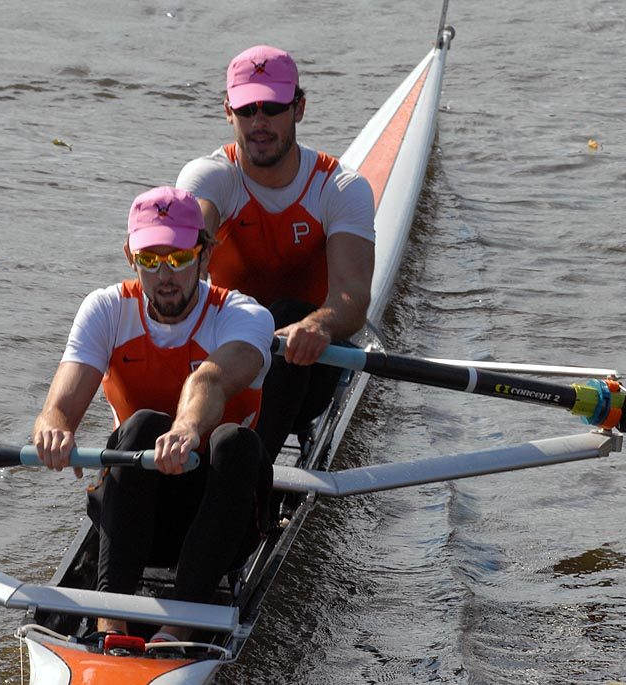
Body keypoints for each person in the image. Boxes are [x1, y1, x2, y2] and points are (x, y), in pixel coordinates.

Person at [33, 186, 275, 641]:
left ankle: (180, 623)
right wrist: (54, 433)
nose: (165, 274)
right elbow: (57, 409)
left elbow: (211, 381)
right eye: (150, 259)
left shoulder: (244, 315)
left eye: (179, 258)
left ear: (204, 256)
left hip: (225, 517)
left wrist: (186, 427)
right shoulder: (105, 309)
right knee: (142, 424)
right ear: (130, 256)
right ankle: (112, 623)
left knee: (233, 441)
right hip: (138, 513)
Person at [176, 44, 376, 461]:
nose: (259, 123)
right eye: (247, 110)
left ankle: (252, 475)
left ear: (299, 108)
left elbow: (352, 301)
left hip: (309, 360)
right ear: (228, 111)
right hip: (230, 363)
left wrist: (319, 325)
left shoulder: (340, 189)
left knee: (284, 313)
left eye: (272, 108)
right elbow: (187, 251)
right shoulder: (210, 177)